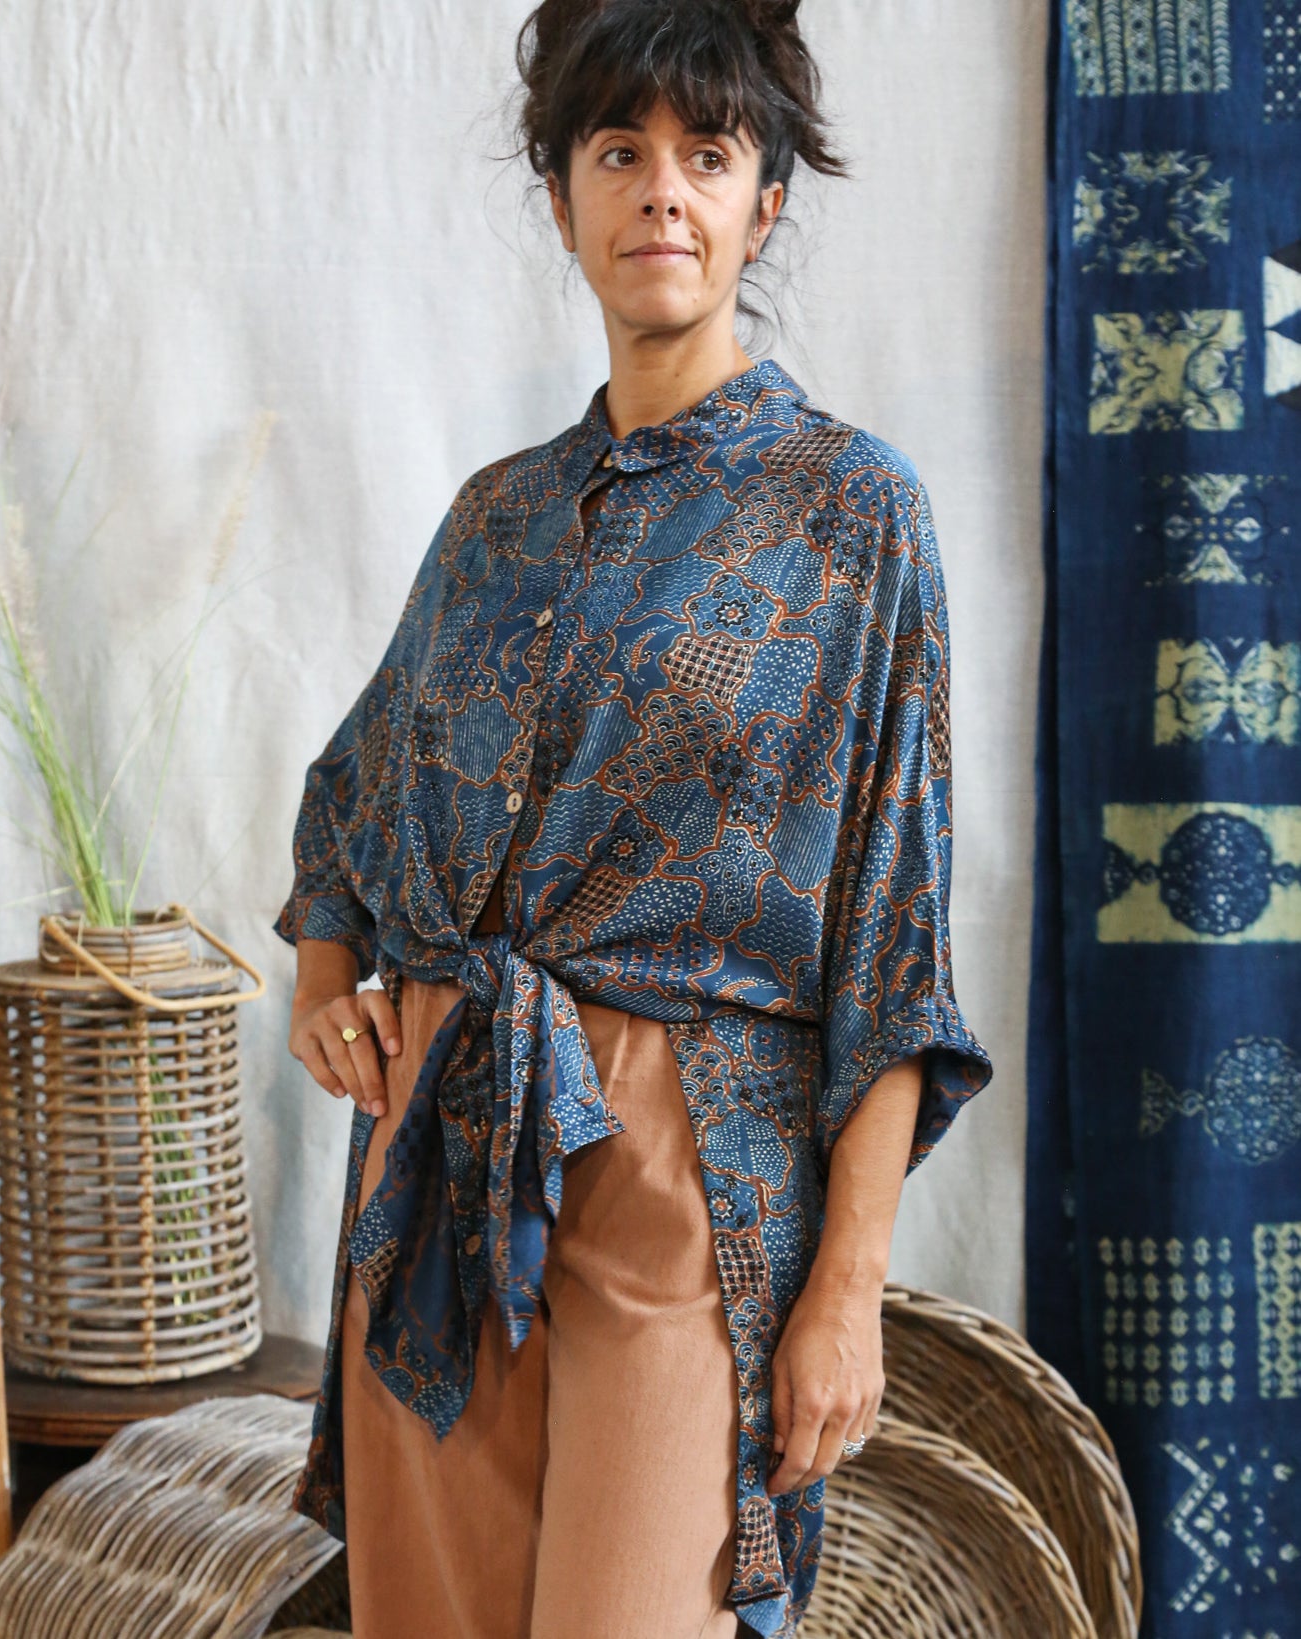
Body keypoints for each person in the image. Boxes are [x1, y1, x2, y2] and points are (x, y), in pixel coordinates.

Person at [273, 2, 994, 1635]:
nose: (661, 189)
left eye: (706, 155)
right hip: (441, 1139)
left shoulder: (851, 510)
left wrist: (845, 1295)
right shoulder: (493, 516)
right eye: (618, 153)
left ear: (763, 205)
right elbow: (353, 794)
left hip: (688, 1159)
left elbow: (891, 934)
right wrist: (326, 983)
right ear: (562, 201)